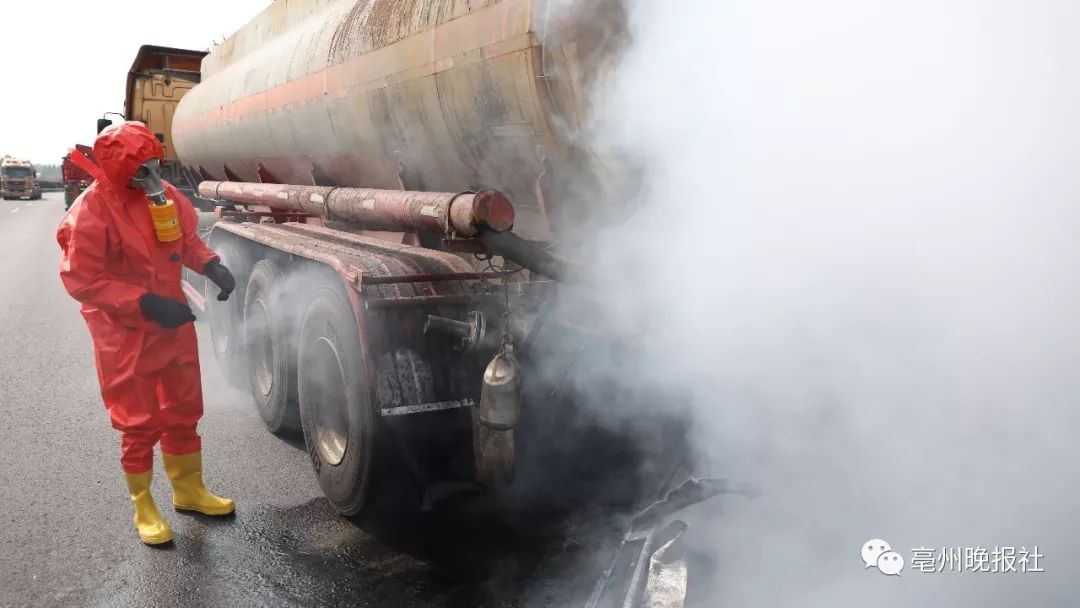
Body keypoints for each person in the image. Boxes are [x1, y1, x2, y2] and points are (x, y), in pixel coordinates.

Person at [56, 121, 237, 545]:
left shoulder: (166, 196)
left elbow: (185, 239)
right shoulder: (92, 211)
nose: (154, 179)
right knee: (137, 423)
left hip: (173, 325)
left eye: (156, 166)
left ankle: (189, 491)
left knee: (183, 409)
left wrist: (211, 265)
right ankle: (144, 506)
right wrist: (144, 303)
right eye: (142, 172)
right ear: (121, 171)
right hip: (126, 334)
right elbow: (82, 278)